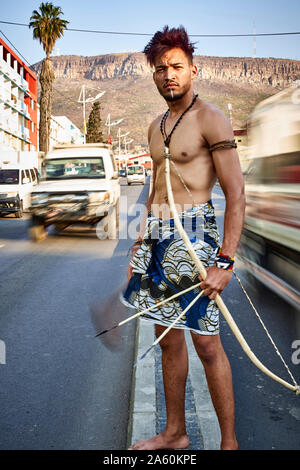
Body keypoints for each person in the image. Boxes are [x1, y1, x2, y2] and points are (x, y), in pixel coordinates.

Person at [124, 25, 245, 451]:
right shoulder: (156, 127)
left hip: (197, 235)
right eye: (160, 68)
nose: (168, 74)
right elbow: (156, 192)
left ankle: (228, 443)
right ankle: (175, 433)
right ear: (153, 75)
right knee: (167, 339)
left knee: (207, 345)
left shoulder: (211, 118)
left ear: (193, 69)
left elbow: (235, 192)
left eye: (176, 66)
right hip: (158, 236)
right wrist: (138, 248)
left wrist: (225, 260)